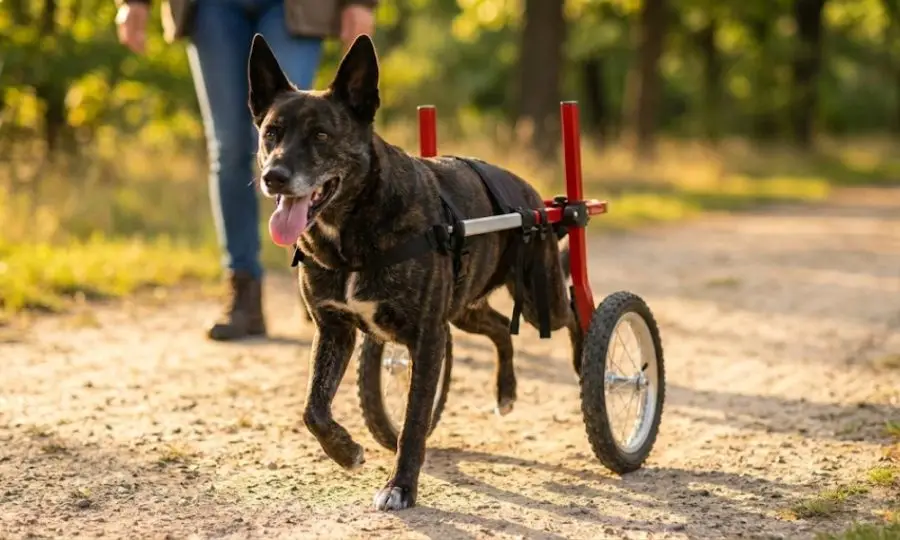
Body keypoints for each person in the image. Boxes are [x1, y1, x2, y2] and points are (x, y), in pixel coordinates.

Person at [114, 0, 376, 340]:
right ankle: (243, 294)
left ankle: (314, 273)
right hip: (211, 7)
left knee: (299, 137)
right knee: (230, 146)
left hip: (296, 7)